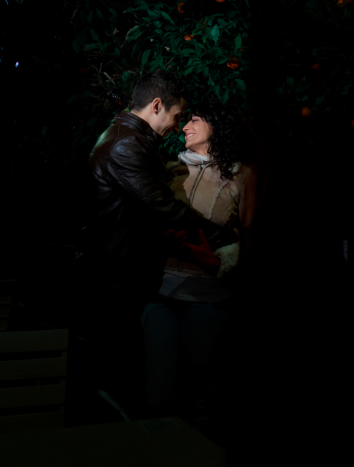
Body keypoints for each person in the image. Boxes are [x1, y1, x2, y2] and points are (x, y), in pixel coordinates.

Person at [77, 70, 238, 412]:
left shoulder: (132, 140)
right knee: (115, 385)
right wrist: (222, 239)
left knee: (131, 382)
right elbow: (162, 208)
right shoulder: (126, 145)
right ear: (155, 105)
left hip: (132, 280)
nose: (177, 126)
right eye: (177, 116)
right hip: (116, 280)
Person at [140, 101, 257, 430]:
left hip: (207, 300)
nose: (185, 125)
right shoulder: (169, 168)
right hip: (160, 295)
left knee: (198, 393)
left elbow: (252, 240)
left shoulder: (243, 175)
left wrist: (218, 260)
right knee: (157, 396)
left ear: (217, 126)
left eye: (194, 119)